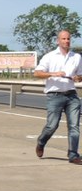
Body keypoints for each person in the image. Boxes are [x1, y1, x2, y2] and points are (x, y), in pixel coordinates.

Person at [34, 29, 82, 164]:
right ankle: (41, 142)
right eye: (64, 39)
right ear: (58, 41)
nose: (66, 41)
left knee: (74, 127)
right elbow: (37, 73)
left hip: (71, 95)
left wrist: (78, 77)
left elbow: (80, 75)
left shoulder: (76, 57)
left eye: (68, 39)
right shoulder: (50, 56)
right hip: (54, 95)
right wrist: (54, 74)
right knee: (52, 125)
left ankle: (73, 155)